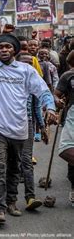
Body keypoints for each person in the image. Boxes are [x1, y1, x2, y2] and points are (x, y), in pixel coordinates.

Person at [0, 34, 57, 224]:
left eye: (8, 47)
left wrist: (50, 107)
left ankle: (11, 202)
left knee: (14, 168)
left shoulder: (26, 70)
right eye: (0, 47)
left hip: (20, 128)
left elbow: (42, 90)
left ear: (14, 50)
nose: (4, 50)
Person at [15, 52, 47, 211]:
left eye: (30, 63)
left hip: (27, 124)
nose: (27, 65)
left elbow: (36, 108)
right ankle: (9, 199)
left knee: (27, 160)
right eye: (24, 62)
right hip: (7, 125)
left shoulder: (34, 84)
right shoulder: (8, 81)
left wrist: (42, 128)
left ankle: (30, 197)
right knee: (10, 161)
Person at [54, 50, 74, 205]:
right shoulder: (68, 76)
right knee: (68, 150)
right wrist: (58, 102)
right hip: (72, 116)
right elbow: (56, 94)